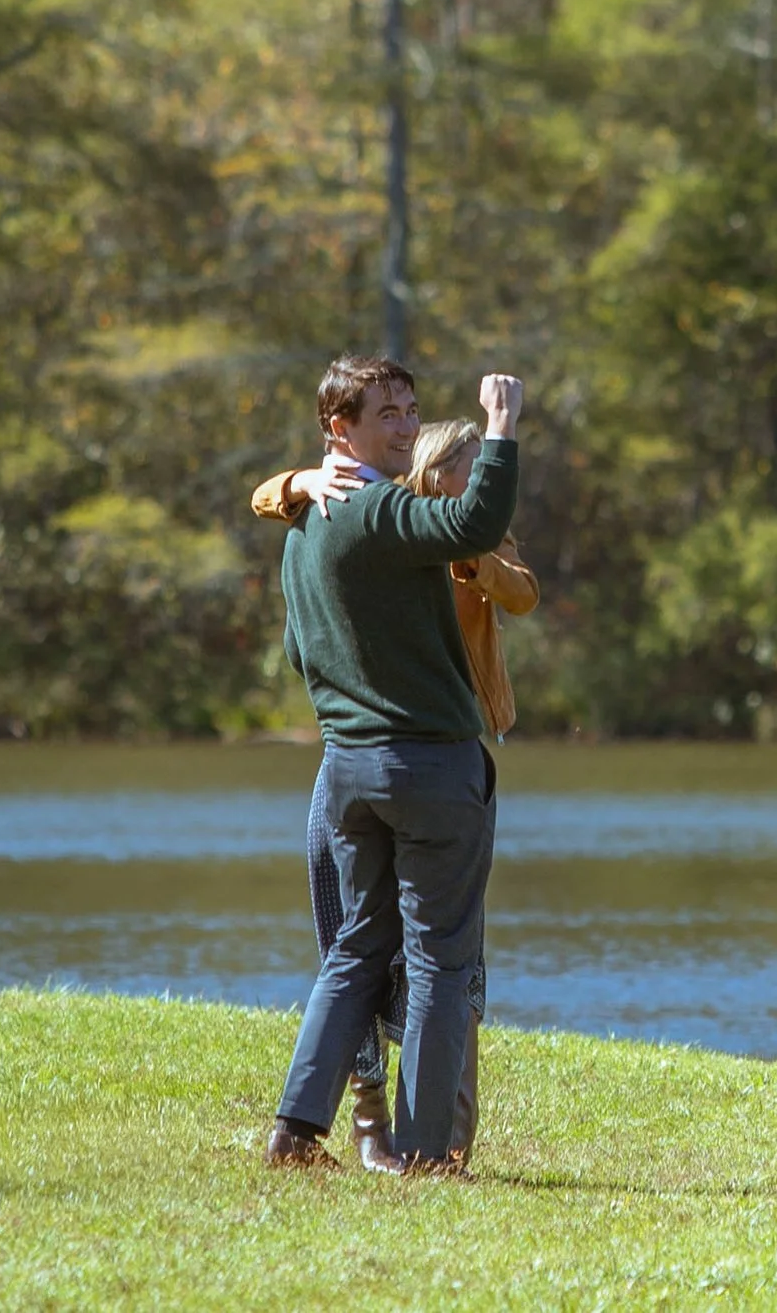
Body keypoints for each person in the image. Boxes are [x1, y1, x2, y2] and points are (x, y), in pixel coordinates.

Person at [263, 355, 524, 1175]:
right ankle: (424, 1154)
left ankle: (296, 1132)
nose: (407, 426)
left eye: (411, 410)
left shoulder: (303, 529)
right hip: (429, 769)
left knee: (356, 949)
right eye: (387, 414)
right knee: (441, 958)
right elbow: (475, 525)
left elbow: (297, 651)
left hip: (348, 769)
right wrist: (505, 429)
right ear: (340, 427)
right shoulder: (378, 510)